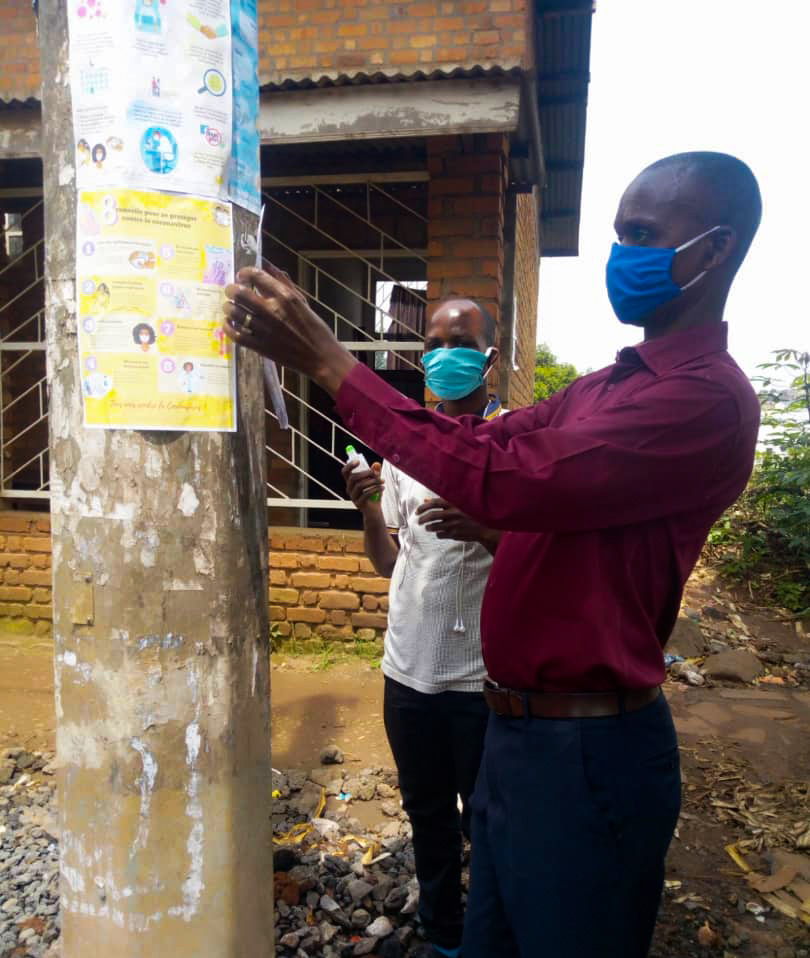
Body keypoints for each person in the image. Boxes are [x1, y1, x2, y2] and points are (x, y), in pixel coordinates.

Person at [223, 151, 762, 957]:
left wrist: (332, 366)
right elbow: (484, 442)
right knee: (488, 936)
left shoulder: (704, 400)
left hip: (586, 749)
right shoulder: (603, 387)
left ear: (714, 250)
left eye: (643, 234)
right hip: (515, 729)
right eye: (619, 234)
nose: (623, 255)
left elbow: (503, 477)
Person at [342, 298, 504, 958]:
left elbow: (546, 557)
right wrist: (366, 510)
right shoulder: (406, 448)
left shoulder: (514, 443)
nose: (442, 353)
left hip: (481, 679)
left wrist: (490, 531)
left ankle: (494, 934)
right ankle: (443, 932)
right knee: (428, 813)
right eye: (432, 341)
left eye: (459, 340)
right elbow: (389, 561)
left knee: (489, 821)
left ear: (489, 357)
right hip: (407, 670)